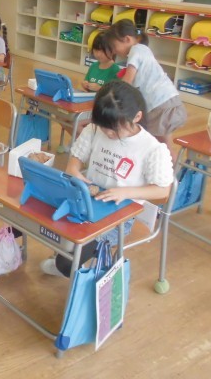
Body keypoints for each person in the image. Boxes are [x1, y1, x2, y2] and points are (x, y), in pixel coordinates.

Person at [40, 81, 174, 277]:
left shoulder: (152, 149)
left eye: (114, 129)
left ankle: (70, 265)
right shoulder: (95, 130)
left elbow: (163, 191)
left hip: (120, 216)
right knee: (44, 223)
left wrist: (125, 192)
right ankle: (64, 256)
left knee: (67, 262)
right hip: (87, 202)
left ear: (137, 117)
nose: (109, 133)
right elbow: (74, 164)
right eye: (105, 128)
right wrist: (75, 172)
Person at [106, 19, 187, 158]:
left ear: (127, 39)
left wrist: (110, 95)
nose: (114, 51)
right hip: (167, 101)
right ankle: (172, 168)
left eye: (114, 46)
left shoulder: (135, 51)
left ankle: (169, 170)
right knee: (164, 146)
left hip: (160, 105)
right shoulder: (142, 50)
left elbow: (127, 82)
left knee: (160, 147)